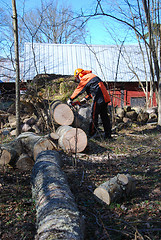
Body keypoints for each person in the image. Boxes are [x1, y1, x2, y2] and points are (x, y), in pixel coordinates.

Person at [67, 68, 112, 139]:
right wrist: (85, 99)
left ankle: (92, 134)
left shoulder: (85, 78)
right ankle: (108, 135)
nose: (78, 79)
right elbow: (94, 90)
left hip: (98, 98)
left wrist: (70, 99)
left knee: (94, 115)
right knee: (104, 117)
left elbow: (79, 90)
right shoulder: (91, 76)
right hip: (104, 98)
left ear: (79, 75)